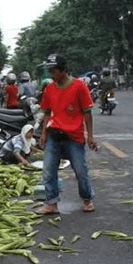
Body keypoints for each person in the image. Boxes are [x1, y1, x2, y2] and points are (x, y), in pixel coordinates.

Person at [38, 54, 96, 214]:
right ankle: (51, 203)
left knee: (80, 170)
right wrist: (43, 134)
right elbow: (47, 113)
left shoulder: (79, 86)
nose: (51, 74)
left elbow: (87, 113)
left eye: (53, 71)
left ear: (63, 70)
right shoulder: (49, 88)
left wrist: (90, 136)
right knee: (48, 170)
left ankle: (87, 198)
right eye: (49, 71)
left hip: (73, 136)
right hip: (54, 135)